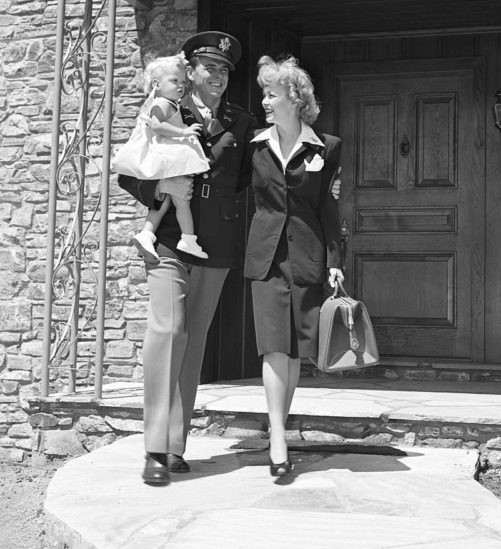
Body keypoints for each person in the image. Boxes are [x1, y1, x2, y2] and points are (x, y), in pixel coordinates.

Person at [117, 31, 257, 485]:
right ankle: (155, 447)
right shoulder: (166, 108)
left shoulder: (242, 119)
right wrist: (158, 189)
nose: (217, 77)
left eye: (224, 70)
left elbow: (245, 182)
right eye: (209, 68)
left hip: (215, 241)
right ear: (191, 72)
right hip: (169, 239)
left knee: (193, 341)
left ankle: (176, 445)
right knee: (167, 330)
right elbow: (128, 169)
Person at [244, 55, 344, 477]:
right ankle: (280, 438)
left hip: (307, 256)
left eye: (272, 93)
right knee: (273, 346)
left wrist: (335, 261)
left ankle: (276, 429)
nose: (265, 100)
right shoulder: (253, 146)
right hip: (266, 258)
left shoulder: (328, 148)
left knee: (295, 353)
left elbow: (329, 207)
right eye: (264, 93)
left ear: (295, 98)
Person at [112, 54, 211, 260]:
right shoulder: (163, 103)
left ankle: (149, 233)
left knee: (170, 200)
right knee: (181, 199)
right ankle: (187, 238)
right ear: (157, 84)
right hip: (168, 159)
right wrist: (184, 132)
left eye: (183, 82)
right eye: (175, 81)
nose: (181, 86)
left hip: (169, 160)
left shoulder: (168, 103)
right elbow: (157, 125)